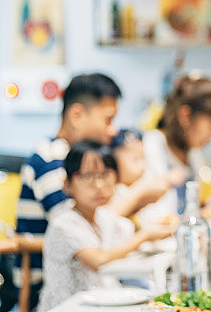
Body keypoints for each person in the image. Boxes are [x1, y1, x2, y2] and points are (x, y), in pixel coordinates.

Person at [14, 72, 122, 311]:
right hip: (47, 288)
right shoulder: (52, 159)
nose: (113, 130)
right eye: (108, 119)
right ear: (76, 115)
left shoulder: (83, 160)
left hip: (85, 282)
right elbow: (76, 230)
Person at [38, 141, 174, 311]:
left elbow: (130, 236)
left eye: (105, 174)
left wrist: (167, 227)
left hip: (101, 303)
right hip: (68, 306)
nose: (99, 185)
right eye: (87, 176)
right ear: (67, 184)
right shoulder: (63, 223)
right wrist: (144, 236)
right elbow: (98, 260)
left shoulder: (103, 216)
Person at [140, 73, 211, 226]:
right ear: (185, 116)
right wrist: (201, 216)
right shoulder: (151, 146)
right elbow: (154, 219)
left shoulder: (193, 153)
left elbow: (201, 200)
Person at [106, 128, 173, 225]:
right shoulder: (111, 193)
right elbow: (108, 219)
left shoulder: (144, 184)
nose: (143, 167)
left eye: (143, 158)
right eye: (135, 159)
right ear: (113, 162)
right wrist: (140, 191)